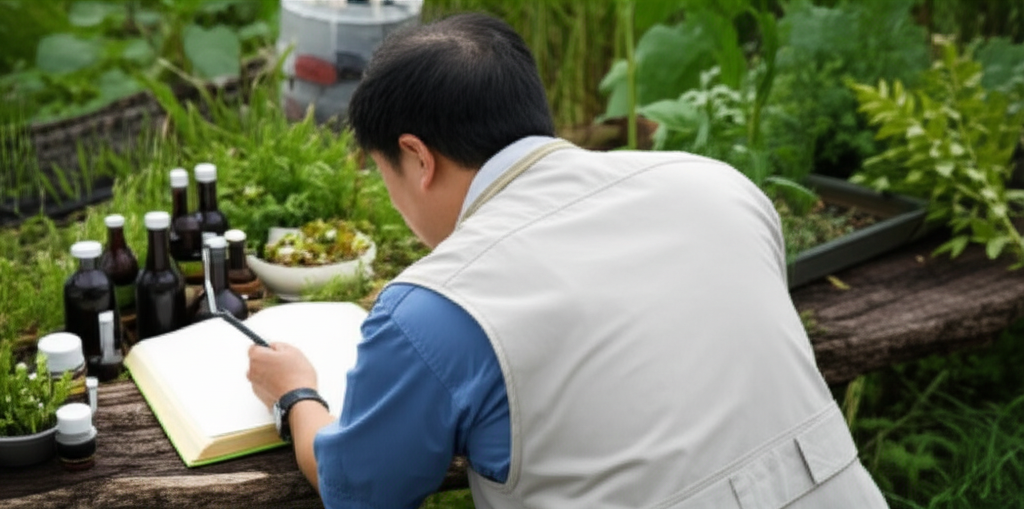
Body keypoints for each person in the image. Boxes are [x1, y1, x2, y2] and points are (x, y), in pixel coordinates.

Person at [246, 12, 889, 509]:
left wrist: (296, 393)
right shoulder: (719, 186)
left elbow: (360, 490)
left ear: (417, 157)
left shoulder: (436, 306)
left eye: (384, 174)